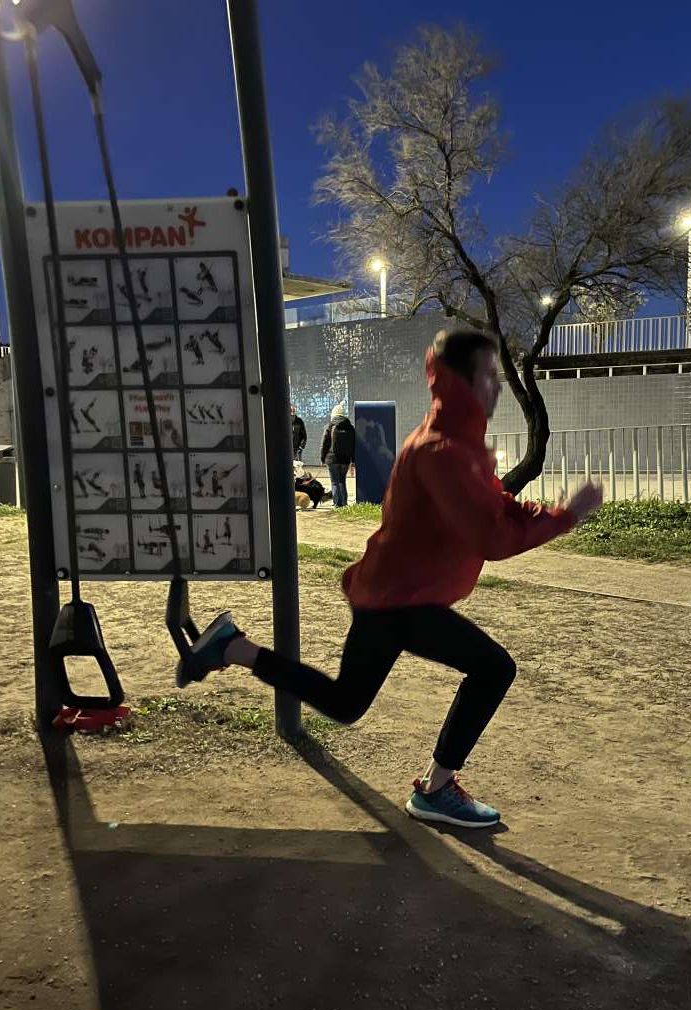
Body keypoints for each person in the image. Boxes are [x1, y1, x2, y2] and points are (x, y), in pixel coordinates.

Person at [175, 330, 602, 828]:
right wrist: (565, 516)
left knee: (346, 702)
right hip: (403, 601)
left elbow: (494, 508)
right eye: (489, 376)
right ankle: (437, 788)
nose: (498, 387)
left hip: (393, 594)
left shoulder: (451, 442)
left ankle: (232, 647)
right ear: (462, 381)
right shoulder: (443, 450)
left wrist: (551, 513)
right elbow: (493, 537)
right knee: (492, 669)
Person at [321, 402, 355, 507]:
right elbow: (353, 445)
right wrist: (353, 460)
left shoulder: (330, 426)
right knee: (342, 481)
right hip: (345, 460)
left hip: (332, 459)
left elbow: (324, 444)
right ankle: (344, 504)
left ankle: (337, 504)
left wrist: (322, 458)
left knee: (334, 482)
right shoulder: (350, 427)